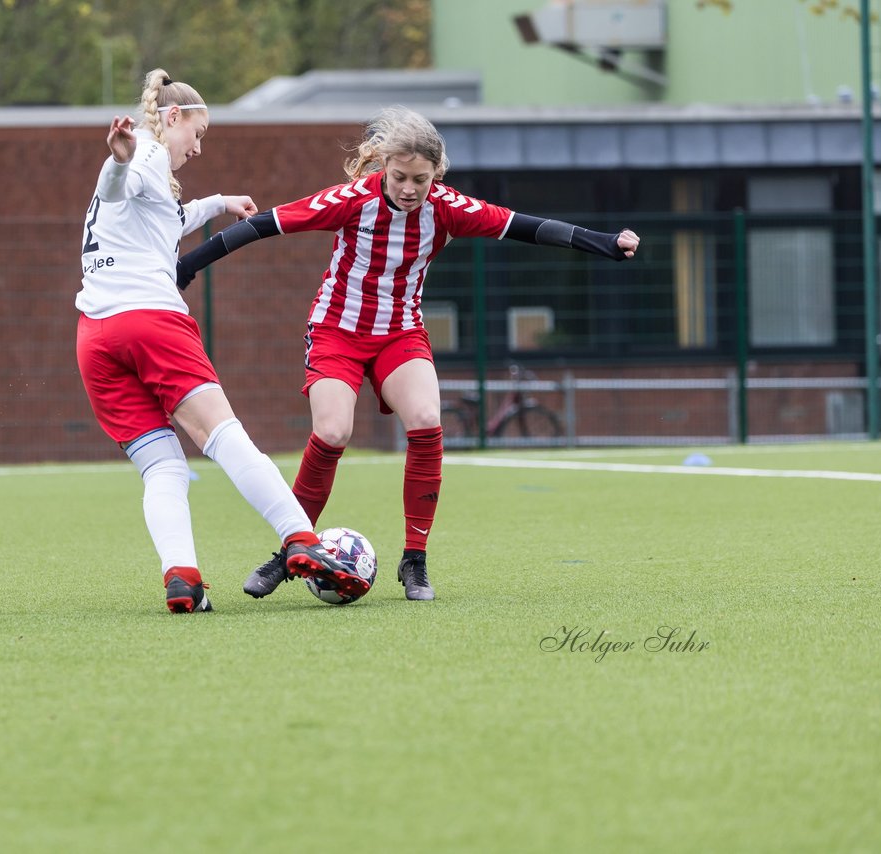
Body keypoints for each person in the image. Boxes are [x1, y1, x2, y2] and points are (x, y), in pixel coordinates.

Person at [176, 106, 640, 602]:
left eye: (420, 179)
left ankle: (414, 559)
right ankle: (291, 549)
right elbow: (265, 224)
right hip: (337, 331)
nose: (409, 189)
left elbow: (523, 226)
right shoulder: (353, 199)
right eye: (399, 177)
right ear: (382, 167)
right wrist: (188, 265)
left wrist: (604, 242)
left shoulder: (446, 207)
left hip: (400, 333)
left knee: (425, 419)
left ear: (435, 175)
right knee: (333, 431)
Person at [75, 68, 367, 613]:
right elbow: (120, 186)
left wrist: (219, 202)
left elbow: (164, 222)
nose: (198, 147)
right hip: (150, 321)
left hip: (96, 336)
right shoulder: (145, 153)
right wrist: (118, 159)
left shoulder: (149, 169)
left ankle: (182, 579)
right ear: (172, 118)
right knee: (223, 435)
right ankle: (300, 539)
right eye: (198, 134)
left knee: (162, 466)